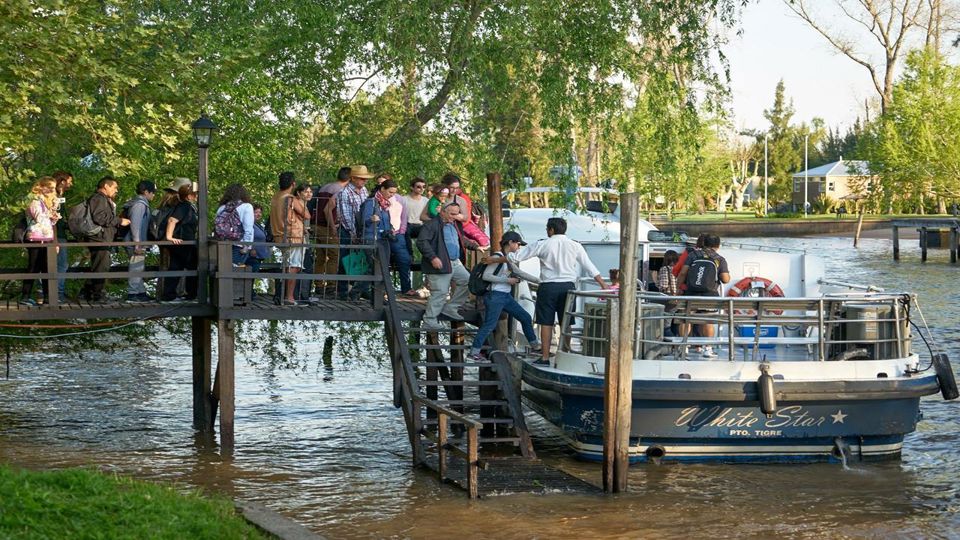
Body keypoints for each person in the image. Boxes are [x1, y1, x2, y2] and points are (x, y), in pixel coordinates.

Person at [513, 217, 609, 363]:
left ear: (551, 229)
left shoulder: (542, 244)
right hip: (567, 287)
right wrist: (603, 284)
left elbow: (518, 256)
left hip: (548, 286)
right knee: (567, 321)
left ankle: (545, 357)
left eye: (547, 229)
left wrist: (502, 256)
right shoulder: (575, 245)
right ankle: (564, 355)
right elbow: (589, 266)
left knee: (546, 322)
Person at [468, 231, 541, 360]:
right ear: (510, 243)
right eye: (518, 244)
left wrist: (540, 281)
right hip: (495, 296)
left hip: (505, 296)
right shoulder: (498, 257)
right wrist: (508, 280)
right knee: (489, 325)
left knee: (525, 317)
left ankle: (535, 346)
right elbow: (487, 276)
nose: (519, 248)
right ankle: (474, 352)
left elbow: (518, 272)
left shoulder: (508, 258)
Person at [416, 202, 478, 329]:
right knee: (440, 292)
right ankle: (429, 320)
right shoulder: (432, 224)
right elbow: (422, 242)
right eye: (452, 214)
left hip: (455, 262)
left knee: (468, 281)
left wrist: (475, 246)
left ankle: (451, 307)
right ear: (442, 212)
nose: (454, 216)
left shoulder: (455, 224)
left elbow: (461, 239)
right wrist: (433, 257)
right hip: (440, 262)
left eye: (456, 214)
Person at [676, 234, 731, 358]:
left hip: (691, 293)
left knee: (686, 319)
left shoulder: (693, 255)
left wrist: (679, 289)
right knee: (707, 321)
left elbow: (683, 273)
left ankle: (684, 347)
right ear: (718, 245)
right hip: (709, 295)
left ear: (704, 243)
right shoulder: (719, 259)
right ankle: (708, 348)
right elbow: (725, 279)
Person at [359, 179, 413, 295]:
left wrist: (391, 229)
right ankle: (371, 293)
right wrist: (371, 219)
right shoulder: (371, 202)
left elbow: (387, 221)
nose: (392, 195)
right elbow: (363, 221)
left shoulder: (385, 204)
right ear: (382, 189)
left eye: (394, 193)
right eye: (390, 192)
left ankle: (366, 292)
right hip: (371, 237)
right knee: (376, 266)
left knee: (379, 267)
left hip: (383, 239)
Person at [81, 176, 131, 302]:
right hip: (99, 239)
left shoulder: (102, 199)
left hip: (102, 238)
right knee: (101, 267)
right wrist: (120, 221)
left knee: (101, 266)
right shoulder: (98, 198)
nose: (116, 190)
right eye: (115, 187)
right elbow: (100, 217)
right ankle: (97, 295)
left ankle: (88, 292)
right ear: (106, 186)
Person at [20, 177, 61, 306]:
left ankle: (48, 298)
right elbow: (38, 217)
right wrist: (50, 212)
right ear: (42, 186)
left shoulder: (45, 201)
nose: (52, 190)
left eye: (53, 188)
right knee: (33, 268)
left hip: (47, 237)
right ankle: (25, 297)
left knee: (47, 268)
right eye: (50, 187)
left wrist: (54, 216)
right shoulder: (33, 199)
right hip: (35, 237)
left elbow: (49, 222)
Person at [335, 165, 374, 299]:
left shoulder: (364, 191)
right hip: (347, 230)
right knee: (345, 259)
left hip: (360, 230)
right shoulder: (344, 192)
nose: (364, 181)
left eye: (365, 179)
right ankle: (342, 291)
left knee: (362, 259)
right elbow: (344, 215)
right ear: (353, 178)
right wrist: (352, 233)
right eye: (362, 179)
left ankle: (361, 288)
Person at [312, 166, 350, 296]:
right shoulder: (340, 190)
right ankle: (331, 285)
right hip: (326, 226)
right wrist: (333, 227)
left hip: (315, 224)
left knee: (321, 256)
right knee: (335, 255)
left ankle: (318, 285)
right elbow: (327, 210)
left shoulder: (325, 187)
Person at [160, 183, 199, 302]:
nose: (196, 196)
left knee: (177, 267)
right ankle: (190, 294)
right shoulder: (185, 206)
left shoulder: (187, 206)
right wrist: (169, 237)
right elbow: (172, 220)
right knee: (190, 267)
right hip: (182, 242)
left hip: (185, 242)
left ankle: (170, 294)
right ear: (189, 196)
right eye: (194, 194)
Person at [122, 181, 157, 302]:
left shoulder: (137, 203)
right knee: (136, 266)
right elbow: (135, 225)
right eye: (153, 193)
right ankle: (133, 293)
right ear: (146, 192)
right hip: (136, 242)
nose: (154, 195)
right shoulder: (140, 205)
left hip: (136, 241)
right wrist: (137, 243)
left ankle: (140, 291)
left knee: (139, 266)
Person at [270, 171, 297, 303]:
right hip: (289, 236)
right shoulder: (289, 198)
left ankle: (279, 295)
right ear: (293, 183)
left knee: (286, 265)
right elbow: (290, 219)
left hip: (277, 235)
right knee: (293, 266)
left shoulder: (275, 197)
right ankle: (289, 297)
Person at [215, 183, 256, 267]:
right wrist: (246, 247)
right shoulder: (247, 207)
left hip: (223, 245)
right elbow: (248, 229)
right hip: (239, 246)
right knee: (235, 274)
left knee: (223, 272)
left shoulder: (222, 208)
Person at [52, 170, 73, 302]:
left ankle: (53, 292)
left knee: (58, 264)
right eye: (70, 181)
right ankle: (57, 293)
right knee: (61, 264)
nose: (71, 184)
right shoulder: (53, 197)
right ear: (63, 181)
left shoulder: (59, 196)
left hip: (58, 234)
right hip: (56, 236)